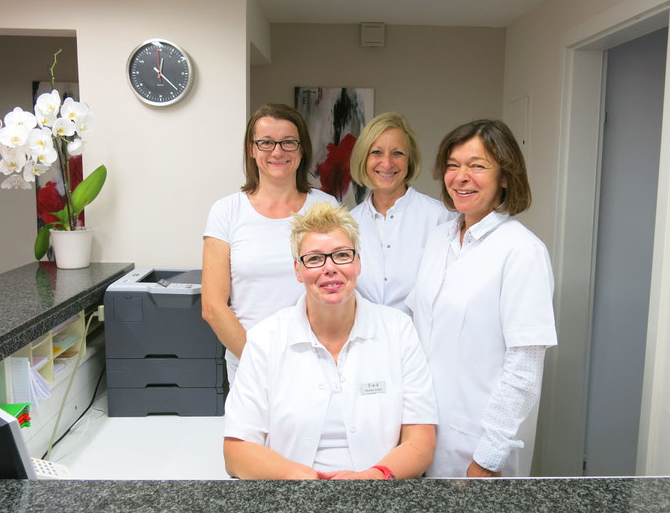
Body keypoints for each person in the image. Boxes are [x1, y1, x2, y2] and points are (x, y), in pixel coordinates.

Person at [223, 201, 438, 480]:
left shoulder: (398, 330)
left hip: (378, 493)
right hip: (292, 495)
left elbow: (421, 441)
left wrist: (372, 477)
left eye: (341, 255)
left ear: (358, 263)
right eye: (314, 259)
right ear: (298, 270)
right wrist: (303, 479)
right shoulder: (265, 339)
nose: (330, 268)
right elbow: (236, 451)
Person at [406, 119, 557, 478]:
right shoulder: (440, 238)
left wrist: (487, 460)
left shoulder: (522, 252)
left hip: (478, 445)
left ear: (505, 176)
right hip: (422, 434)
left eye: (477, 166)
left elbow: (524, 370)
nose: (461, 176)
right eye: (453, 165)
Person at [201, 104, 336, 382]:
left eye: (288, 142)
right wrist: (257, 361)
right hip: (248, 363)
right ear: (252, 149)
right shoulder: (226, 211)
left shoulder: (325, 206)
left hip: (316, 362)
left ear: (301, 150)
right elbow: (213, 306)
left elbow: (338, 290)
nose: (277, 152)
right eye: (266, 143)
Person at [349, 112, 454, 314]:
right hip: (363, 339)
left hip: (421, 341)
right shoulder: (348, 223)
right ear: (364, 158)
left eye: (397, 153)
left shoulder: (441, 217)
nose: (387, 163)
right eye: (377, 153)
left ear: (410, 161)